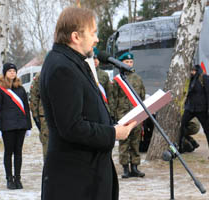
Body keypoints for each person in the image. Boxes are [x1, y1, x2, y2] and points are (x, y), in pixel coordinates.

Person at [39, 7, 137, 200]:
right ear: (76, 36)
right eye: (92, 33)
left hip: (86, 174)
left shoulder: (72, 62)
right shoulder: (62, 68)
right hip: (76, 180)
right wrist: (113, 133)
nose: (97, 39)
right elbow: (72, 127)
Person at [0, 63, 32, 190]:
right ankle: (9, 179)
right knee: (8, 153)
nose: (12, 73)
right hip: (7, 126)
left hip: (20, 125)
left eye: (14, 71)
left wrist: (28, 126)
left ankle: (18, 178)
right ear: (4, 73)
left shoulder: (20, 89)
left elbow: (26, 107)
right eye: (9, 71)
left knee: (18, 153)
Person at [111, 52, 146, 178]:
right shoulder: (117, 80)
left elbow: (142, 96)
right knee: (124, 142)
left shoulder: (137, 78)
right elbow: (113, 98)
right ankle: (125, 168)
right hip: (123, 114)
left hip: (136, 114)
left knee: (135, 141)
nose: (129, 64)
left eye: (131, 62)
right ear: (121, 63)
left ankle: (135, 167)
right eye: (127, 62)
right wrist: (113, 115)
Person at [179, 64, 209, 159]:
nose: (192, 72)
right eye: (191, 71)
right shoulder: (190, 79)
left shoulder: (204, 78)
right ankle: (180, 147)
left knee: (207, 130)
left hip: (201, 109)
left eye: (193, 71)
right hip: (190, 108)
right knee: (181, 125)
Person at [29, 71, 49, 161]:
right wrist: (36, 116)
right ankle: (48, 172)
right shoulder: (41, 75)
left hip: (64, 115)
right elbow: (34, 97)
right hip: (45, 116)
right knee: (47, 144)